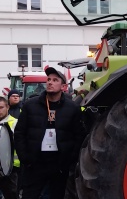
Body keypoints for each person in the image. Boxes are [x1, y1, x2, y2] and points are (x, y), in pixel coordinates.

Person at [14, 67, 84, 199]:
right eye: (48, 79)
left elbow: (79, 135)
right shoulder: (30, 105)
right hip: (35, 163)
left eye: (55, 80)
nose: (50, 82)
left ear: (63, 86)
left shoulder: (72, 108)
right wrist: (25, 158)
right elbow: (19, 133)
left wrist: (69, 160)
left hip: (59, 164)